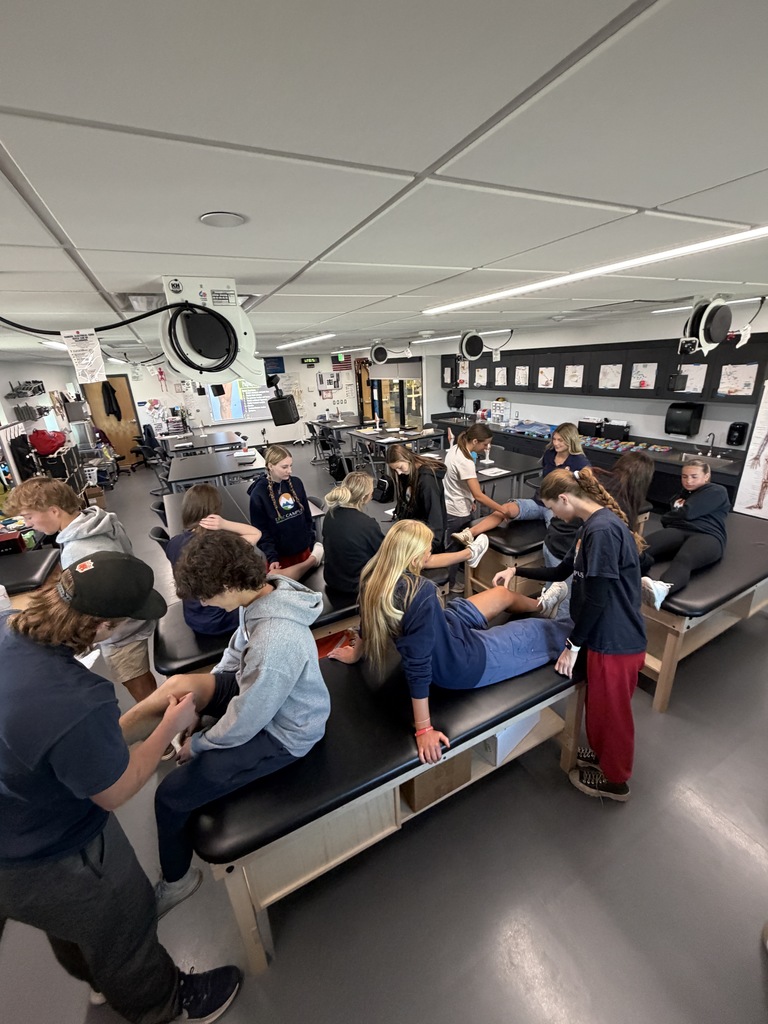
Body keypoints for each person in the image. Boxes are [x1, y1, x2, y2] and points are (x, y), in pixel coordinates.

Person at [0, 550, 242, 1023]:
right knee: (122, 926)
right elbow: (113, 789)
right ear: (102, 626)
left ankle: (101, 983)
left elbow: (65, 742)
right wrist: (167, 723)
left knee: (72, 927)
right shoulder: (75, 698)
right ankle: (166, 1005)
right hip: (58, 851)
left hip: (11, 829)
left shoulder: (9, 626)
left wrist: (144, 712)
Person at [119, 531, 331, 915]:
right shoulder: (261, 594)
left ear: (232, 583)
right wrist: (208, 692)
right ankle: (117, 741)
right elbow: (237, 649)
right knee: (184, 688)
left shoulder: (275, 639)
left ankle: (176, 881)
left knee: (169, 796)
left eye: (207, 595)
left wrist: (197, 744)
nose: (202, 603)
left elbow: (248, 718)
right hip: (259, 695)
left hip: (285, 733)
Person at [328, 519, 569, 764]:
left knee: (502, 594)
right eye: (427, 549)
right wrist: (424, 729)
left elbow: (370, 617)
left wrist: (356, 652)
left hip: (446, 624)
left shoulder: (374, 574)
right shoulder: (419, 592)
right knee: (541, 631)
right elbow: (418, 665)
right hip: (460, 662)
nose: (431, 551)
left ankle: (542, 604)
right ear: (413, 556)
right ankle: (559, 622)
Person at [494, 467, 646, 802]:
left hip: (615, 640)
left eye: (551, 507)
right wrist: (515, 569)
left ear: (564, 499)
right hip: (600, 635)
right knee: (599, 705)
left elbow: (599, 595)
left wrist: (573, 645)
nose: (552, 514)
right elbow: (563, 571)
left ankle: (616, 780)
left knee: (613, 713)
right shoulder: (588, 527)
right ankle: (603, 754)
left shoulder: (603, 530)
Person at [5, 477, 157, 702]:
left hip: (122, 632)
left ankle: (173, 729)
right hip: (131, 617)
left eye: (29, 516)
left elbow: (104, 606)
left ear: (54, 511)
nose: (28, 524)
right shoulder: (97, 521)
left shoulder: (82, 551)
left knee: (143, 691)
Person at [322, 471, 489, 596]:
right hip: (359, 585)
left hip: (334, 579)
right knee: (417, 558)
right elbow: (389, 555)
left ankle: (468, 553)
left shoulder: (331, 515)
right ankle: (469, 553)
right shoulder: (367, 524)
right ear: (366, 497)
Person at [165, 482, 262, 636]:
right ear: (215, 512)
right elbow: (256, 534)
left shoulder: (174, 542)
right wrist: (224, 524)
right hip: (219, 621)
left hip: (193, 617)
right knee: (265, 591)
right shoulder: (218, 546)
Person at [640, 459, 730, 609]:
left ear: (706, 476)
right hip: (679, 530)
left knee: (684, 559)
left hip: (707, 534)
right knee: (641, 546)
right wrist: (676, 512)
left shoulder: (716, 490)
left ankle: (661, 589)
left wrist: (669, 515)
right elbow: (679, 514)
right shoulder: (683, 494)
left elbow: (687, 513)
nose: (688, 481)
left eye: (694, 476)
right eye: (684, 476)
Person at [442, 423, 520, 591]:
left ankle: (454, 578)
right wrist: (502, 509)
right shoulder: (465, 461)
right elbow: (479, 494)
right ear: (475, 441)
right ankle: (450, 584)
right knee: (454, 547)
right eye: (485, 444)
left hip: (453, 502)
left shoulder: (456, 449)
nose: (487, 447)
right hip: (458, 509)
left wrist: (472, 499)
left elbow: (466, 488)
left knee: (453, 543)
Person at [248, 444, 323, 578]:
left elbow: (306, 516)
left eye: (290, 466)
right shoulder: (259, 494)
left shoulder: (296, 483)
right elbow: (261, 530)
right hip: (280, 559)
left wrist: (310, 541)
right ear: (270, 466)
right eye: (284, 467)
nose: (289, 471)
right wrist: (272, 557)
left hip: (304, 550)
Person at [502, 422, 591, 524]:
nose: (556, 443)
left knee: (555, 531)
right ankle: (479, 533)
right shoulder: (549, 454)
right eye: (554, 439)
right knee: (504, 509)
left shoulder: (580, 462)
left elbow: (587, 491)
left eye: (560, 440)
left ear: (570, 441)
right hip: (539, 502)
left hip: (558, 508)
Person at [386, 444, 448, 552]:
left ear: (407, 458)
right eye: (395, 470)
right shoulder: (409, 473)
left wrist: (430, 547)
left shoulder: (427, 482)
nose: (399, 473)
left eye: (400, 467)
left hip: (427, 540)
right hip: (415, 533)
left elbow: (435, 517)